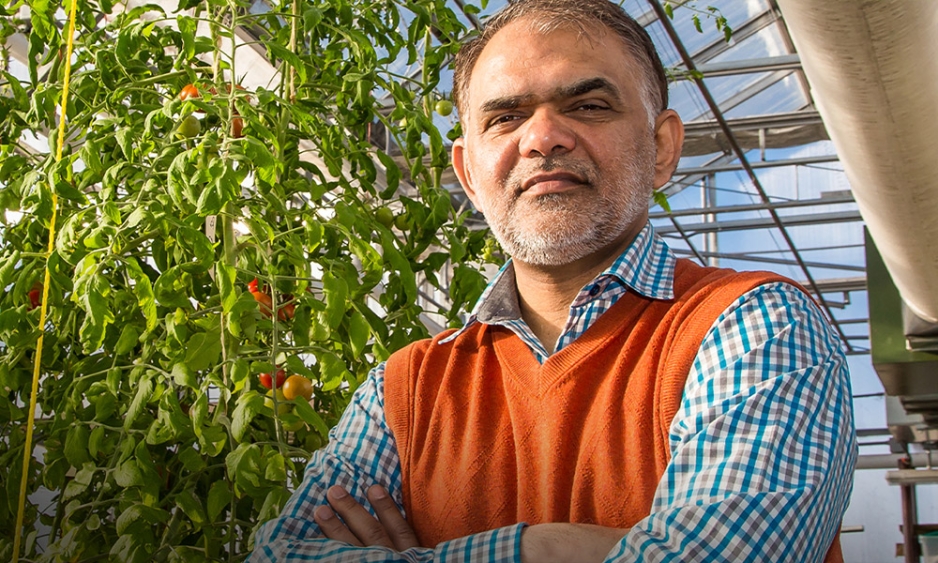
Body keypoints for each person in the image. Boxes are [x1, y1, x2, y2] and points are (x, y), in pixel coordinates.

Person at [248, 0, 857, 561]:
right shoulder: (404, 388)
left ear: (663, 148)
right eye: (506, 117)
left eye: (589, 106)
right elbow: (276, 555)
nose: (541, 138)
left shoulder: (757, 325)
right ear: (468, 174)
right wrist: (545, 547)